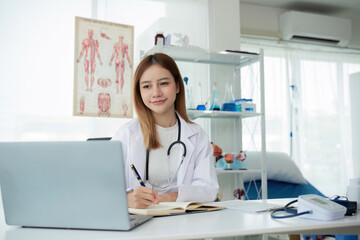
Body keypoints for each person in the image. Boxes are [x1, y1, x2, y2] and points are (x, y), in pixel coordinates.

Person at [112, 53, 218, 209]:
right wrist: (126, 198)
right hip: (140, 225)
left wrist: (166, 198)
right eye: (147, 86)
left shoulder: (197, 135)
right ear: (139, 93)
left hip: (185, 224)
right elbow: (102, 186)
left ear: (177, 86)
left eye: (163, 83)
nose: (156, 93)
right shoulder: (126, 134)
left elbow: (208, 189)